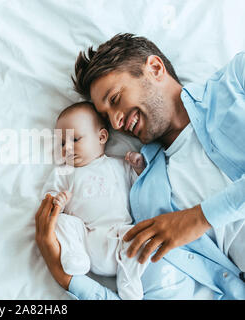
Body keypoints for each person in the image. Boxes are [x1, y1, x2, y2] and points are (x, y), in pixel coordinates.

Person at [35, 33, 245, 299]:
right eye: (105, 117)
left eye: (114, 99)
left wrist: (199, 218)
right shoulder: (146, 197)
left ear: (155, 68)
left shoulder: (236, 81)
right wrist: (65, 276)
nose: (116, 123)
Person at [42, 102, 148, 299]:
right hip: (88, 241)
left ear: (101, 137)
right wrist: (59, 202)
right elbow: (48, 199)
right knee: (62, 222)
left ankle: (129, 279)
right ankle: (74, 256)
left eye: (75, 139)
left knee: (143, 237)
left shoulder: (118, 165)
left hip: (122, 237)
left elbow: (141, 188)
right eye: (62, 143)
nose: (68, 148)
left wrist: (139, 167)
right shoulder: (65, 172)